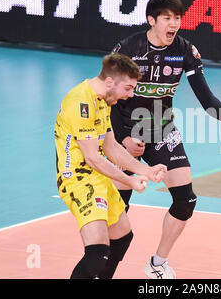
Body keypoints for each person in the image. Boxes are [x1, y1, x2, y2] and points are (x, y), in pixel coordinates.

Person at [110, 0, 221, 279]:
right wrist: (123, 138)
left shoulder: (184, 50)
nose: (174, 24)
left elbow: (204, 95)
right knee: (118, 207)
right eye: (167, 19)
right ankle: (104, 268)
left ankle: (157, 263)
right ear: (152, 20)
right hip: (124, 130)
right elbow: (108, 99)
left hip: (161, 129)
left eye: (178, 18)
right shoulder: (128, 47)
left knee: (186, 201)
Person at [54, 53, 167, 279]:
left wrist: (145, 170)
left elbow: (112, 147)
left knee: (122, 237)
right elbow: (92, 158)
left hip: (97, 176)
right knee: (97, 253)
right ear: (109, 82)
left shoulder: (103, 101)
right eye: (128, 88)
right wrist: (130, 180)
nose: (130, 94)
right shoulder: (81, 102)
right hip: (78, 179)